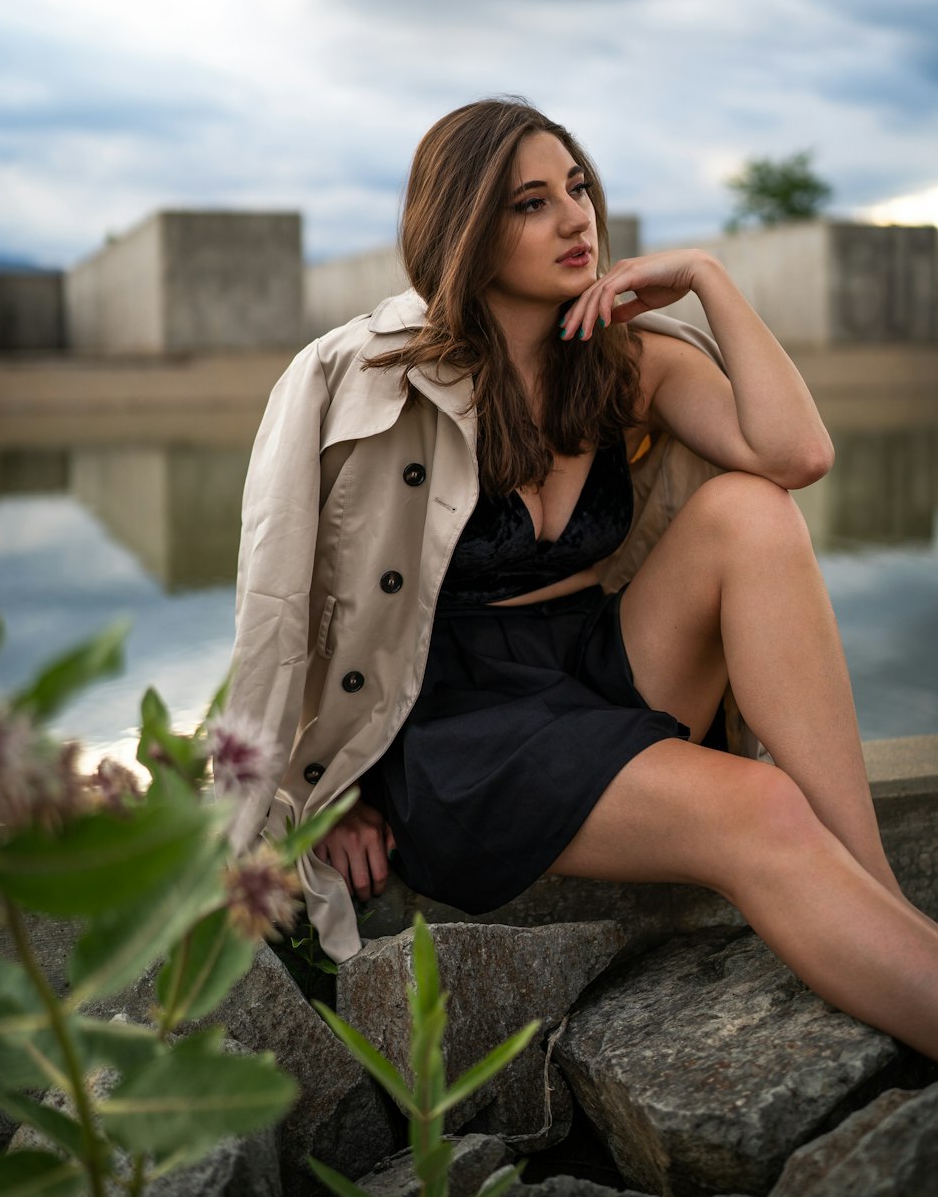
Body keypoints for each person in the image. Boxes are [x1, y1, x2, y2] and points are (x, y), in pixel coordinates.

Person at [220, 96, 938, 1059]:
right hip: (456, 725)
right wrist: (326, 793)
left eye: (580, 186)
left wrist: (709, 280)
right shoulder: (363, 382)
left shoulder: (627, 361)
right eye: (530, 202)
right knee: (759, 807)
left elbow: (795, 454)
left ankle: (879, 903)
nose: (575, 218)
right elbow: (283, 611)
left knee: (752, 511)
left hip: (600, 660)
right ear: (465, 229)